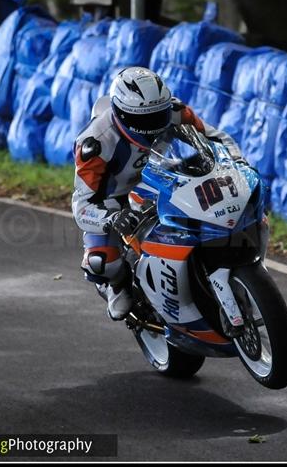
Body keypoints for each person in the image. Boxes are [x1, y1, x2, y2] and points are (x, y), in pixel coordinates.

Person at [72, 67, 245, 321]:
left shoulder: (175, 111)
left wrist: (237, 162)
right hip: (116, 200)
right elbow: (81, 205)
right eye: (144, 120)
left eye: (157, 116)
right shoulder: (95, 143)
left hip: (166, 179)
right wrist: (109, 219)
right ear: (121, 113)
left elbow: (216, 138)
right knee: (101, 262)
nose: (153, 126)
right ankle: (117, 285)